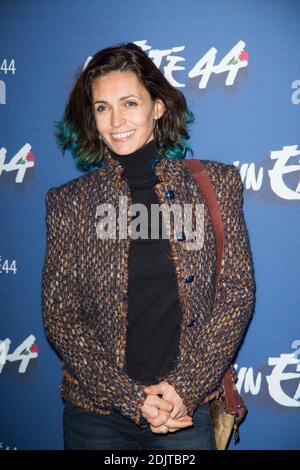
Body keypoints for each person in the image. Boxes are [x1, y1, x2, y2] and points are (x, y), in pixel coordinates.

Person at [41, 42, 255, 450]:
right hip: (95, 418)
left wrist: (181, 390)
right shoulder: (69, 203)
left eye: (129, 103)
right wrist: (134, 400)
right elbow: (61, 315)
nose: (116, 120)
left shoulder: (215, 184)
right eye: (102, 107)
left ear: (157, 107)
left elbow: (236, 294)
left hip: (184, 411)